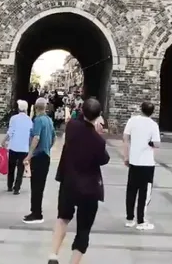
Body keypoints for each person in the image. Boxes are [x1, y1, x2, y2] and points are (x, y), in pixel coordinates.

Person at [48, 97, 110, 264]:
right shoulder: (98, 141)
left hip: (69, 183)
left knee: (63, 217)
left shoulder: (71, 126)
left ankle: (53, 254)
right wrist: (97, 134)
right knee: (83, 229)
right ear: (99, 116)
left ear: (82, 112)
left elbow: (77, 121)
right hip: (89, 188)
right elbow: (104, 159)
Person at [123, 100, 161, 231]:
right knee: (144, 192)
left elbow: (125, 138)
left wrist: (126, 155)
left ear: (141, 109)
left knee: (131, 190)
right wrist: (149, 143)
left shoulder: (132, 121)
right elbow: (157, 144)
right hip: (147, 164)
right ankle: (141, 220)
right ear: (152, 112)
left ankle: (129, 219)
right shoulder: (153, 125)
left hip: (134, 161)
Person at [23, 97, 55, 223]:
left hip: (38, 156)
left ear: (36, 108)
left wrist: (29, 155)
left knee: (35, 186)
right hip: (46, 156)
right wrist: (47, 148)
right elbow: (54, 138)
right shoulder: (49, 120)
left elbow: (36, 138)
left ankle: (36, 213)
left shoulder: (38, 120)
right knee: (40, 186)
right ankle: (36, 211)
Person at [3, 99, 32, 194]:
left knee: (11, 167)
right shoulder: (29, 120)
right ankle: (17, 188)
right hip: (24, 148)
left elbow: (10, 132)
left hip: (13, 146)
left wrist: (3, 141)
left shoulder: (14, 118)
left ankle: (9, 186)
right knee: (20, 168)